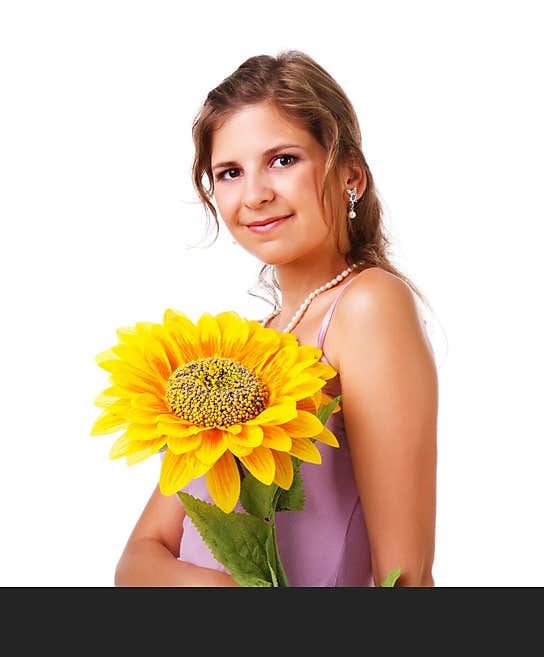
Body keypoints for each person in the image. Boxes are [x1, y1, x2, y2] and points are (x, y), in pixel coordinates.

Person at [114, 50, 438, 587]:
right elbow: (137, 560)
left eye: (283, 160)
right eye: (230, 172)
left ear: (350, 175)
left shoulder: (367, 307)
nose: (256, 194)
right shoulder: (242, 356)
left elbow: (404, 576)